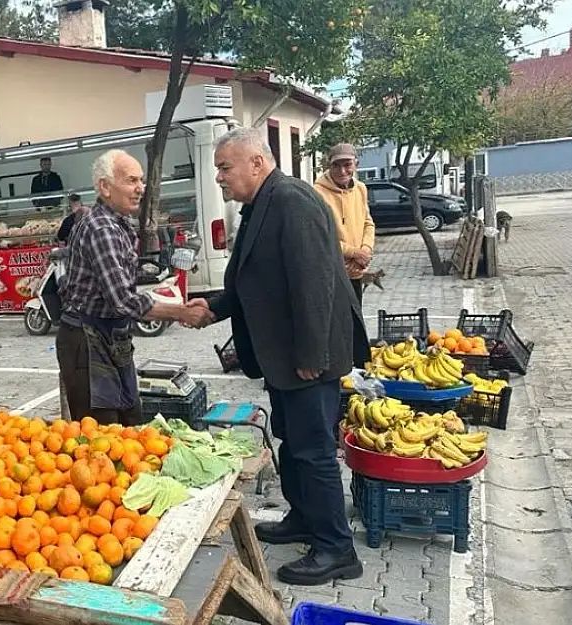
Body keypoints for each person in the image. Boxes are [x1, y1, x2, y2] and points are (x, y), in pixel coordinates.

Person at [186, 128, 368, 586]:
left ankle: (336, 549)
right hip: (284, 355)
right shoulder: (262, 204)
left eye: (225, 167)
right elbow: (256, 280)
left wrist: (312, 354)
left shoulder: (291, 201)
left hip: (307, 354)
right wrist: (213, 306)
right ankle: (304, 519)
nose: (219, 177)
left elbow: (314, 283)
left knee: (314, 451)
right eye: (218, 169)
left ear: (256, 162)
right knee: (291, 439)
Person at [57, 150, 212, 424]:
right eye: (131, 181)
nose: (140, 188)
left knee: (131, 425)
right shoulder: (101, 228)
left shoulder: (118, 223)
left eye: (141, 180)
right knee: (104, 436)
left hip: (110, 337)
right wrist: (180, 312)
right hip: (86, 342)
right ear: (105, 187)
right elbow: (123, 301)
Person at [315, 143, 375, 310]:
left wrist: (366, 250)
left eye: (347, 165)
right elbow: (320, 237)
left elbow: (367, 223)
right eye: (336, 165)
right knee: (338, 328)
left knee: (356, 323)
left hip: (356, 271)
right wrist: (354, 252)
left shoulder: (360, 189)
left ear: (357, 164)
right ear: (329, 166)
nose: (342, 171)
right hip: (332, 274)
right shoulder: (317, 193)